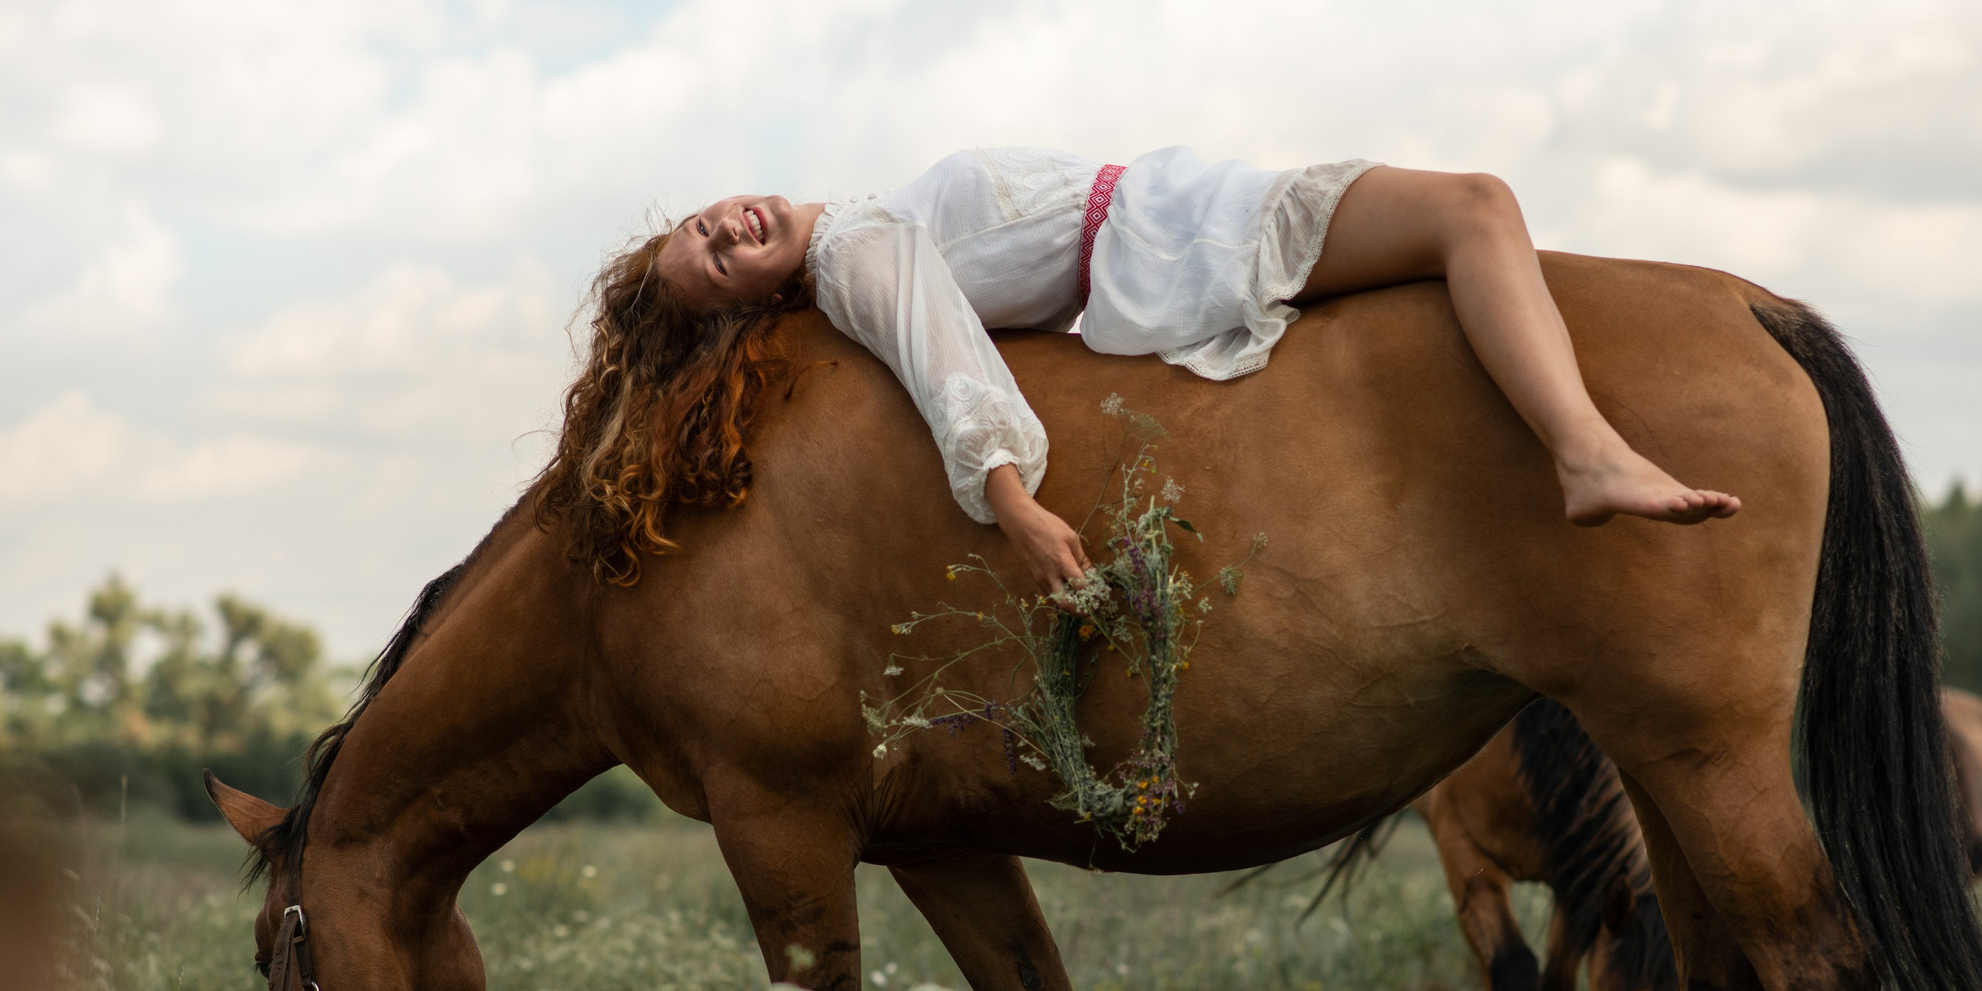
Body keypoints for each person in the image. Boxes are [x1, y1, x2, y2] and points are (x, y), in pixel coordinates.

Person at [564, 147, 1738, 594]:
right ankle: (1584, 453)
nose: (725, 233)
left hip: (1164, 221)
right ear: (753, 297)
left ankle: (1582, 445)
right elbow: (947, 366)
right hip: (1174, 238)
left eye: (702, 227)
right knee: (1477, 207)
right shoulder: (853, 255)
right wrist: (1013, 502)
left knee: (1468, 219)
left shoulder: (856, 221)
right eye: (716, 265)